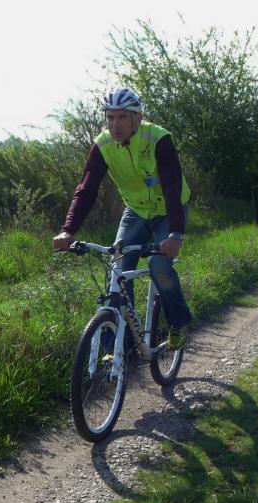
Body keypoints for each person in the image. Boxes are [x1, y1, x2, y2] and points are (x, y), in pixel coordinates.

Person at [53, 87, 192, 349]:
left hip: (168, 210)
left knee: (159, 266)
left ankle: (178, 322)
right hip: (136, 211)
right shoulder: (103, 145)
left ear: (137, 118)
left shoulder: (158, 139)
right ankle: (119, 349)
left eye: (122, 117)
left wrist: (175, 233)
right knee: (116, 270)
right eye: (110, 117)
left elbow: (171, 186)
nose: (115, 124)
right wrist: (67, 230)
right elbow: (86, 189)